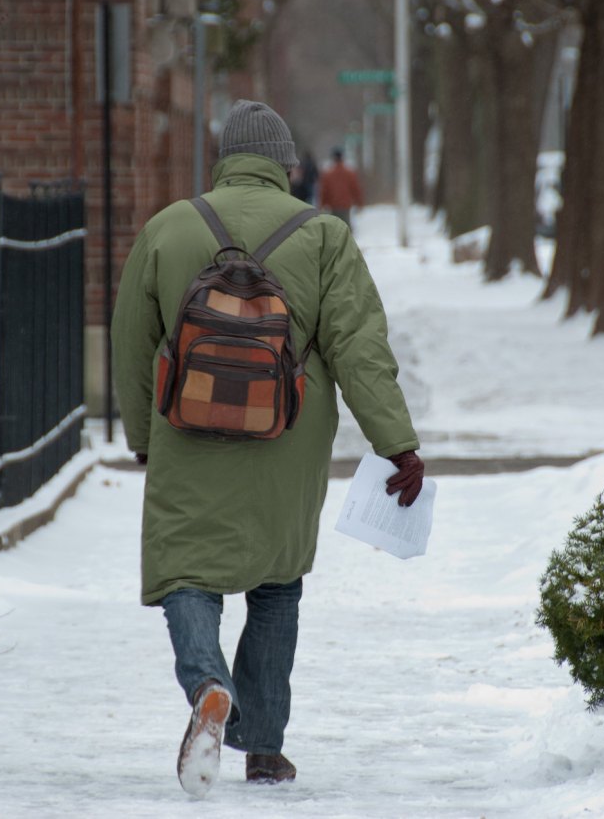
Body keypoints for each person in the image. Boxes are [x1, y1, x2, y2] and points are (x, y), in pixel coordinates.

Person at [111, 99, 424, 796]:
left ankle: (208, 688)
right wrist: (395, 442)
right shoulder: (323, 236)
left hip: (187, 426)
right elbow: (358, 347)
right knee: (277, 584)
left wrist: (142, 436)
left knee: (185, 571)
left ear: (222, 160)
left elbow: (132, 341)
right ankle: (264, 747)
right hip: (291, 430)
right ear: (286, 164)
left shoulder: (169, 226)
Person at [318, 147, 363, 228]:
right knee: (346, 227)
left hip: (333, 205)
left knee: (335, 228)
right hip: (346, 205)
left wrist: (322, 204)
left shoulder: (328, 174)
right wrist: (359, 202)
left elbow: (324, 191)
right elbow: (355, 189)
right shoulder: (350, 173)